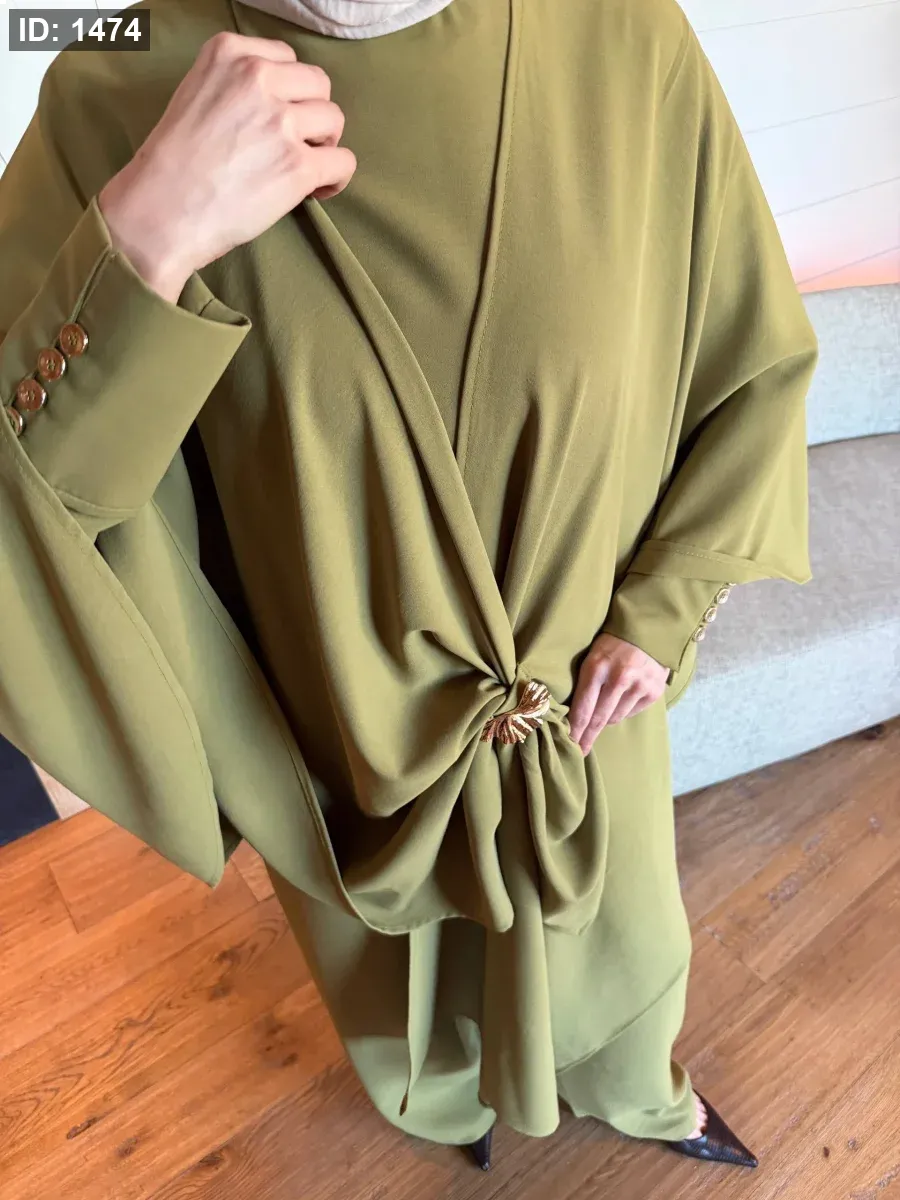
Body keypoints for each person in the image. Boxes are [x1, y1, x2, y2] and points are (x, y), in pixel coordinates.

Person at [0, 0, 818, 1173]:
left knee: (625, 946)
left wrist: (668, 604)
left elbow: (749, 358)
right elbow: (34, 519)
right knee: (397, 994)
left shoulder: (626, 34)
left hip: (589, 706)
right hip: (345, 739)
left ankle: (638, 1088)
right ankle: (442, 1107)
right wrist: (141, 244)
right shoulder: (114, 75)